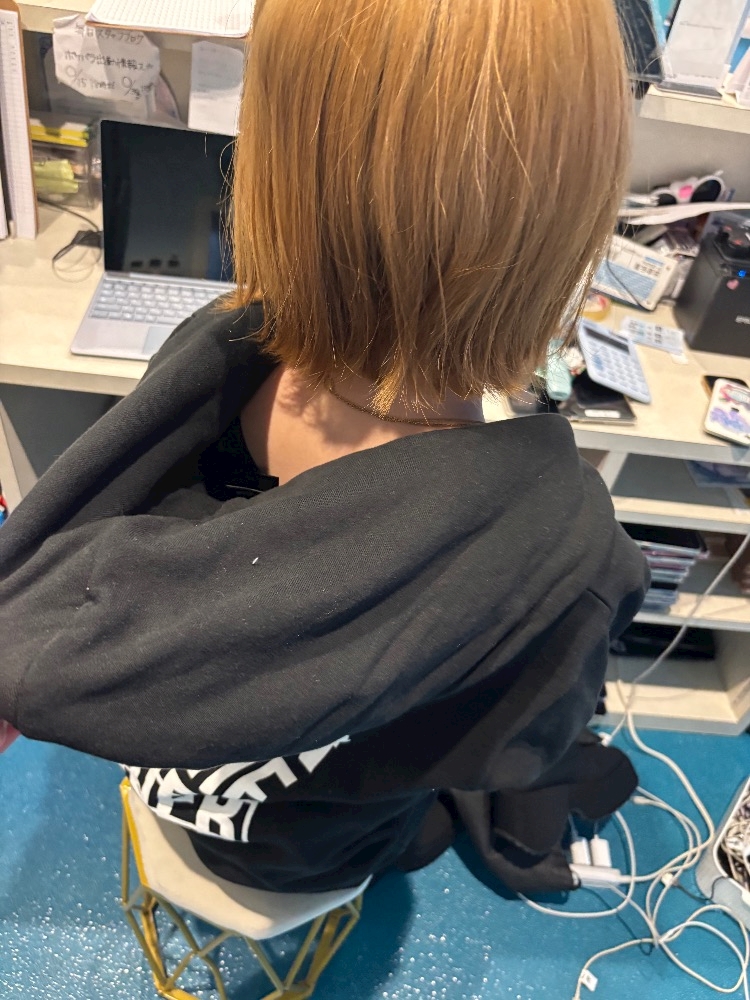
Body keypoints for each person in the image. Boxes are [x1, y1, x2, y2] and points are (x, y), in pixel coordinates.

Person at [0, 0, 647, 893]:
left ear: (272, 158)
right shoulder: (571, 564)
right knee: (436, 823)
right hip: (312, 853)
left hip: (175, 792)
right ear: (569, 216)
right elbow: (509, 751)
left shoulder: (204, 359)